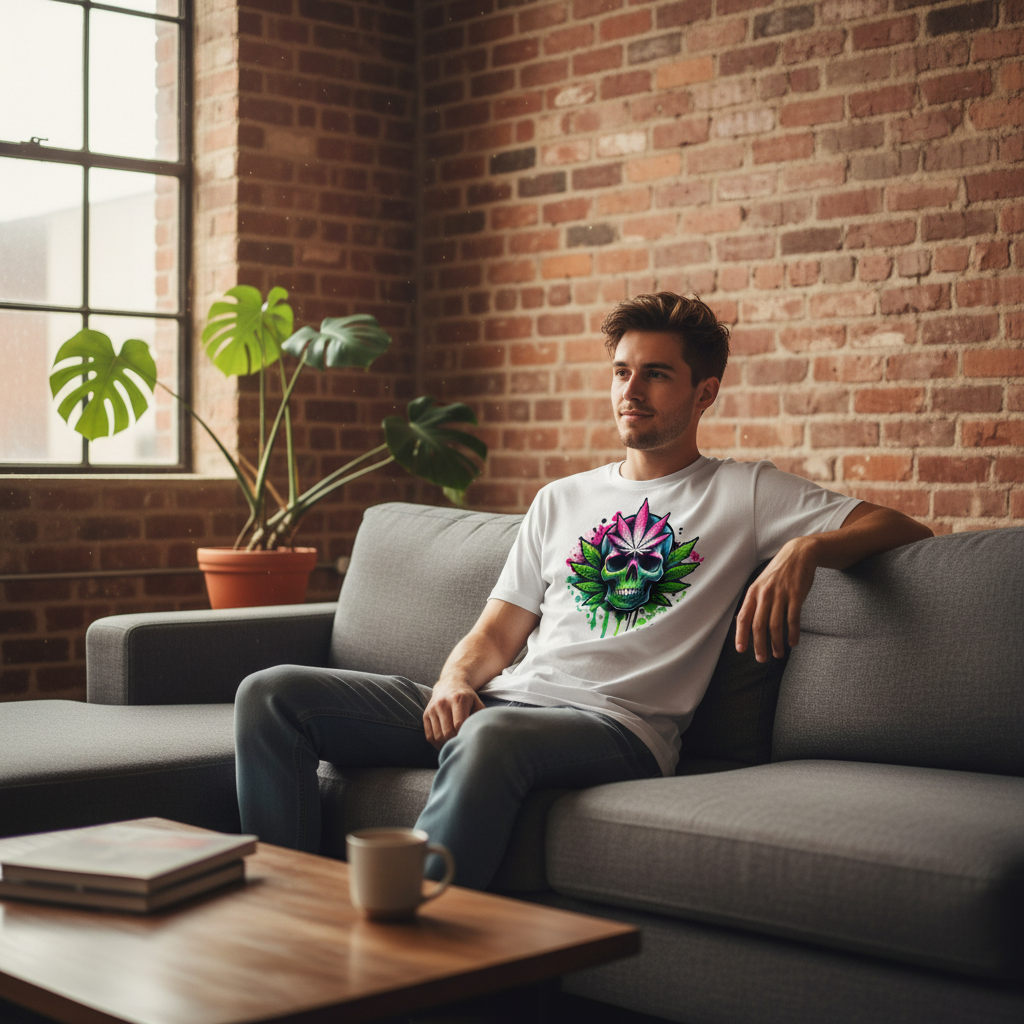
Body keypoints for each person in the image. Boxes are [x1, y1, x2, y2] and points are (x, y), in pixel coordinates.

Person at [234, 292, 932, 889]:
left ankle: (406, 957)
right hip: (507, 704)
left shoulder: (745, 492)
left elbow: (902, 526)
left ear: (704, 393)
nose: (631, 390)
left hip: (619, 728)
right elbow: (497, 633)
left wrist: (808, 548)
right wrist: (453, 679)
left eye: (656, 375)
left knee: (491, 735)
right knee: (272, 694)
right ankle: (291, 908)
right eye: (622, 371)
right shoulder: (562, 499)